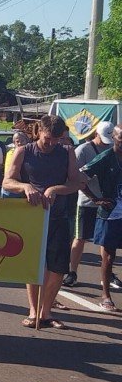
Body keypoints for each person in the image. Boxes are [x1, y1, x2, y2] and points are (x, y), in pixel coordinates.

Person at [3, 115, 81, 329]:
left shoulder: (66, 152)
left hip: (58, 216)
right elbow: (7, 182)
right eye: (48, 139)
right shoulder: (24, 151)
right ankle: (34, 311)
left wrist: (55, 189)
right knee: (35, 266)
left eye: (57, 139)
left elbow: (76, 182)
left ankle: (46, 312)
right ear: (39, 132)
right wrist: (25, 187)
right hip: (33, 218)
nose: (52, 143)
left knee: (57, 268)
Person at [64, 121, 114, 288]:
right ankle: (72, 272)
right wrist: (93, 197)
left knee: (106, 240)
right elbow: (75, 177)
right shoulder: (83, 150)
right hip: (86, 202)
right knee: (80, 238)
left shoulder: (112, 149)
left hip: (107, 202)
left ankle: (107, 273)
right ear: (96, 134)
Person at [79, 123, 122, 311]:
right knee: (108, 257)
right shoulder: (105, 157)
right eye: (121, 138)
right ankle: (105, 295)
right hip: (110, 214)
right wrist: (95, 199)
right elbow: (80, 177)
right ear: (113, 137)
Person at [0, 131, 29, 198]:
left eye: (22, 140)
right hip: (11, 188)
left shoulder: (29, 153)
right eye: (17, 141)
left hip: (24, 188)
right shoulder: (11, 153)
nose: (20, 143)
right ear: (14, 143)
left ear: (26, 141)